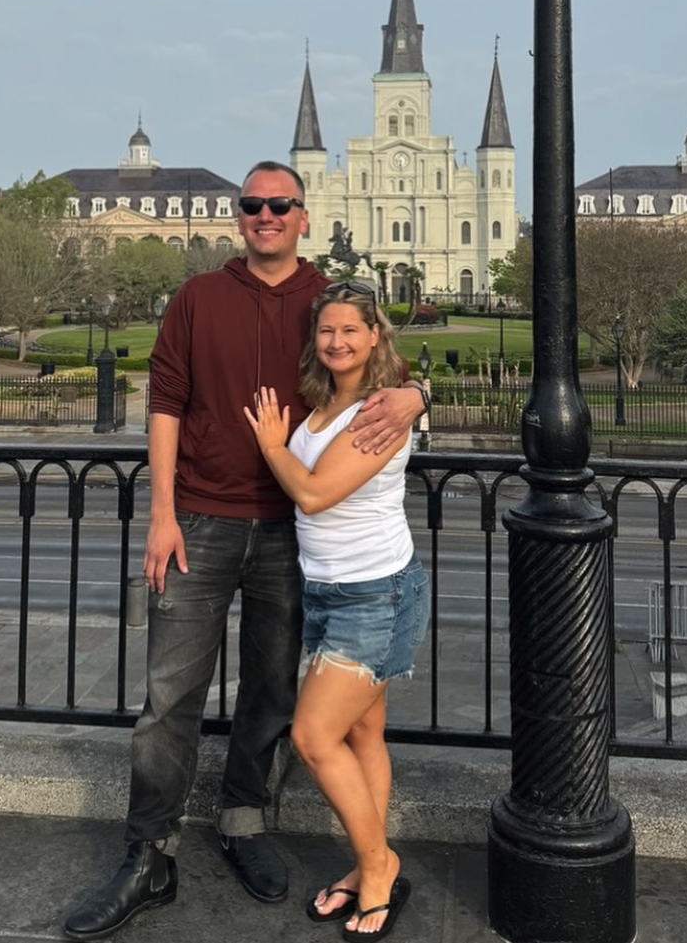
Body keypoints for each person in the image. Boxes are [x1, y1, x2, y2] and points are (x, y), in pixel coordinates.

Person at [63, 161, 425, 941]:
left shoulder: (326, 295)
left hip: (290, 534)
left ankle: (242, 819)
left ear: (302, 215)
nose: (265, 215)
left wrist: (417, 391)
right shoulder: (199, 297)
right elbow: (165, 403)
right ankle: (149, 852)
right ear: (240, 217)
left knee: (269, 691)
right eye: (253, 204)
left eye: (279, 205)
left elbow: (381, 361)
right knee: (169, 698)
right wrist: (161, 513)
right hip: (199, 521)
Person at [244, 282, 430, 943]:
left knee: (314, 736)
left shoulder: (378, 409)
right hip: (328, 591)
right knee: (361, 736)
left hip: (372, 594)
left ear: (375, 334)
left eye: (351, 329)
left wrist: (271, 444)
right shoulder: (328, 402)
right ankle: (364, 861)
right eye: (326, 330)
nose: (337, 341)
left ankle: (380, 865)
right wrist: (422, 390)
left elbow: (316, 493)